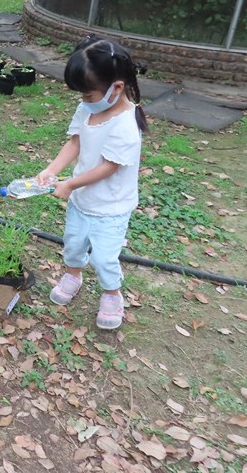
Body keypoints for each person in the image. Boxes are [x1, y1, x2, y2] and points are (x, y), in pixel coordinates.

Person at [37, 35, 148, 330]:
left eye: (88, 94)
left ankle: (112, 294)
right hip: (82, 201)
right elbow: (75, 142)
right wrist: (52, 170)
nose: (83, 101)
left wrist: (70, 184)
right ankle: (73, 274)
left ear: (117, 87)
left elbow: (108, 167)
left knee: (103, 258)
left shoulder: (126, 124)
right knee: (73, 245)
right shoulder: (89, 108)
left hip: (111, 208)